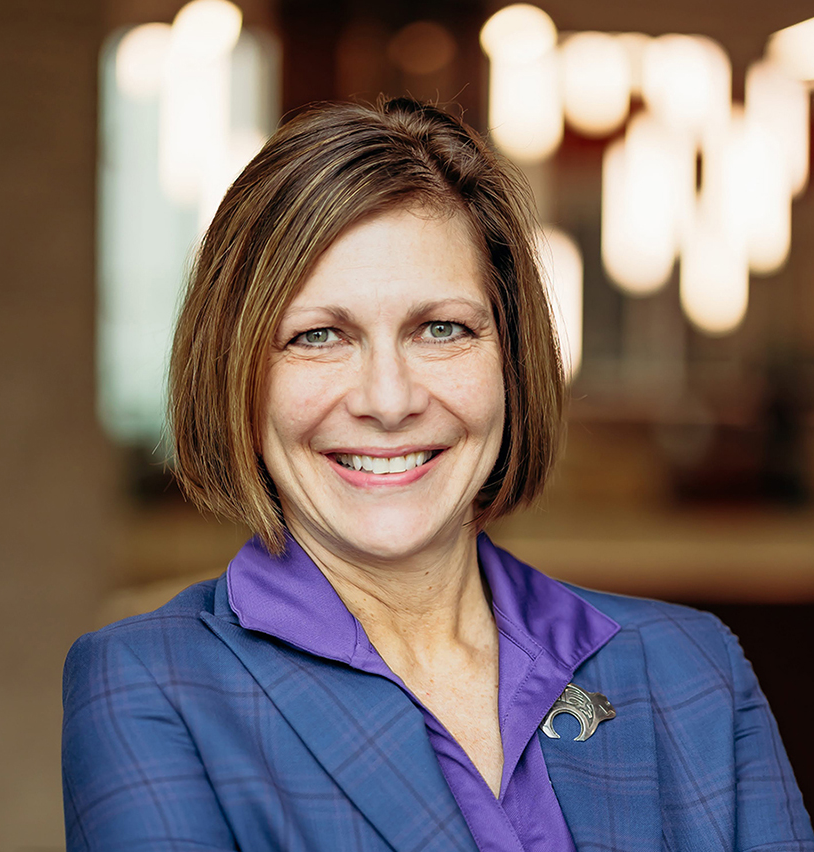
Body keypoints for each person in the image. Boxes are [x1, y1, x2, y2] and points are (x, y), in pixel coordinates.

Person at [62, 98, 813, 852]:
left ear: (511, 360)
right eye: (319, 336)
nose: (388, 401)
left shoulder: (691, 668)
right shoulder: (152, 687)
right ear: (236, 374)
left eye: (441, 329)